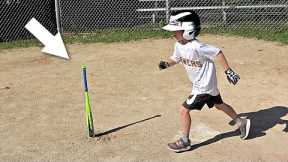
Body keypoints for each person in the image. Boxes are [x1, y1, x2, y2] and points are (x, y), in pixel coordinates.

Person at [158, 10, 251, 153]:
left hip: (203, 87)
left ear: (188, 30)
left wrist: (228, 71)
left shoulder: (197, 46)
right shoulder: (179, 45)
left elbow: (217, 52)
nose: (173, 34)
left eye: (177, 31)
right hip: (205, 85)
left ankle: (184, 141)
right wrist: (167, 64)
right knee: (219, 105)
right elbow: (176, 58)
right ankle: (241, 122)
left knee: (184, 111)